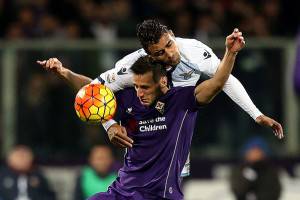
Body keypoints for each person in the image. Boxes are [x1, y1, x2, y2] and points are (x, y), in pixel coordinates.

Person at [37, 19, 283, 176]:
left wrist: (256, 114)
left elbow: (223, 79)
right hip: (144, 128)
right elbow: (96, 92)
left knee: (172, 180)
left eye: (169, 44)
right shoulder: (133, 66)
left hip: (178, 121)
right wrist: (110, 125)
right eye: (160, 52)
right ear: (148, 54)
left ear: (172, 35)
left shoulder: (195, 51)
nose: (169, 53)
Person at [88, 37, 245, 199]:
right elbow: (93, 94)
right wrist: (110, 124)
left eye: (145, 87)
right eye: (136, 86)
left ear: (162, 81)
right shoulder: (129, 98)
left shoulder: (182, 100)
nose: (139, 93)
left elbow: (217, 83)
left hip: (161, 194)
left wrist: (230, 53)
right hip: (122, 192)